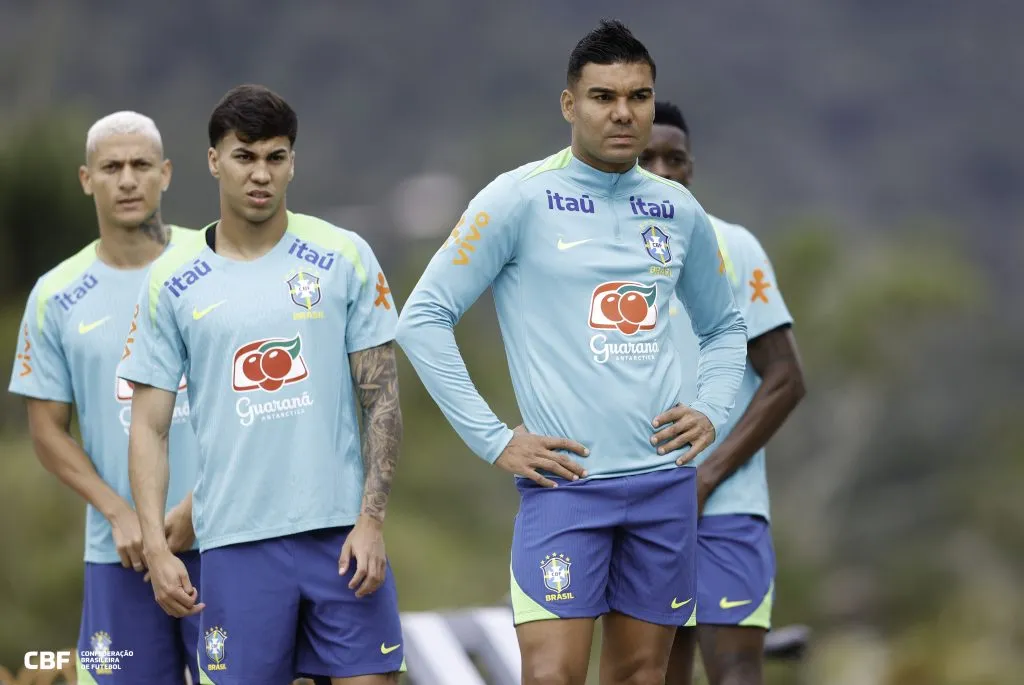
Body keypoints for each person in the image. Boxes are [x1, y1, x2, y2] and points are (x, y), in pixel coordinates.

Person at [396, 21, 747, 685]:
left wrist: (710, 408)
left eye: (639, 96)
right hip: (566, 489)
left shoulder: (677, 212)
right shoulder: (517, 198)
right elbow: (423, 319)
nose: (623, 112)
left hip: (662, 486)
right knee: (553, 674)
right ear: (569, 105)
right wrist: (495, 439)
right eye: (603, 96)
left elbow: (726, 328)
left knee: (641, 674)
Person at [116, 84, 406, 685]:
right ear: (214, 160)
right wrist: (159, 544)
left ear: (293, 162)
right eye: (244, 156)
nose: (260, 174)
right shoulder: (173, 278)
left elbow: (381, 399)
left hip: (341, 539)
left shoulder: (342, 254)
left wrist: (372, 521)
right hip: (235, 544)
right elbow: (149, 425)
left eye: (275, 157)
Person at [7, 111, 202, 684]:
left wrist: (201, 504)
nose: (127, 179)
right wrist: (117, 511)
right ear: (86, 179)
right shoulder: (55, 296)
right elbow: (46, 430)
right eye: (111, 167)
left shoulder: (214, 260)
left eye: (141, 165)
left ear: (165, 174)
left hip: (226, 536)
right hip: (123, 554)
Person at [640, 100, 807, 685]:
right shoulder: (597, 259)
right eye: (646, 158)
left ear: (692, 168)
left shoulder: (732, 247)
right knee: (655, 674)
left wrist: (706, 479)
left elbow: (786, 379)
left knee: (735, 674)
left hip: (726, 510)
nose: (662, 170)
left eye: (675, 159)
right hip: (636, 506)